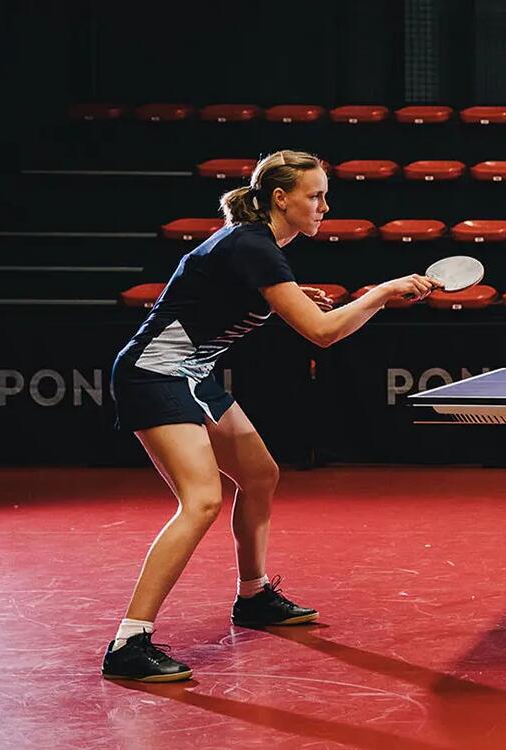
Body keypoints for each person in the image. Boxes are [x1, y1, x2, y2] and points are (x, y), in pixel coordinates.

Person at [102, 150, 437, 681]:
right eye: (315, 195)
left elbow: (218, 291)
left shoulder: (257, 245)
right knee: (201, 500)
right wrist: (383, 293)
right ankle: (128, 642)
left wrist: (287, 296)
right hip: (154, 374)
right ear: (280, 198)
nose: (325, 205)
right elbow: (322, 334)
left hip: (193, 373)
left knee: (259, 475)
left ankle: (253, 597)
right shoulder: (254, 244)